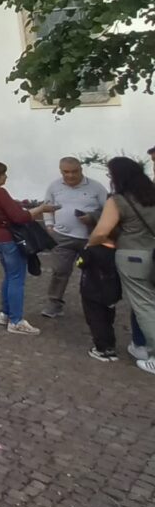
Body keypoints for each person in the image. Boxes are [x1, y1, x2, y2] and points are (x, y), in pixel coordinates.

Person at [86, 157, 155, 375]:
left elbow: (101, 231)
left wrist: (90, 245)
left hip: (133, 257)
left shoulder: (119, 200)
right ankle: (140, 346)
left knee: (144, 306)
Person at [0, 159, 57, 335]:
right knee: (16, 279)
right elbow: (19, 217)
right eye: (3, 173)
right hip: (8, 238)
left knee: (9, 275)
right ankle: (16, 320)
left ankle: (5, 313)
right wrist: (41, 209)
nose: (6, 176)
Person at [40, 157, 107, 318]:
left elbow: (108, 210)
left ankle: (96, 305)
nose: (70, 176)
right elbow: (47, 207)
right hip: (62, 237)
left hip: (89, 239)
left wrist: (92, 217)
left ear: (81, 170)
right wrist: (49, 225)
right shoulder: (54, 186)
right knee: (59, 271)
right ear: (61, 171)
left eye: (74, 172)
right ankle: (54, 304)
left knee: (93, 273)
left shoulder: (96, 187)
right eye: (66, 172)